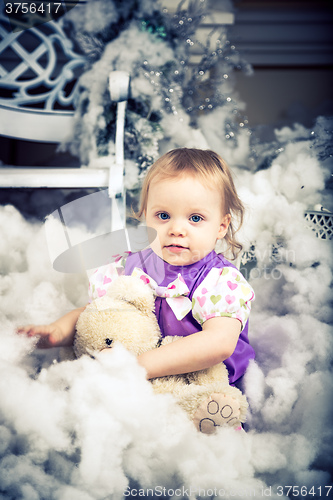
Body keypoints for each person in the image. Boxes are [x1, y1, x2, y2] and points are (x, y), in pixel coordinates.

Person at [17, 148, 255, 430]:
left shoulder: (219, 280)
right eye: (163, 215)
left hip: (201, 375)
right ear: (145, 217)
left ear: (221, 226)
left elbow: (218, 344)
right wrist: (59, 330)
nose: (177, 229)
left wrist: (135, 366)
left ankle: (209, 418)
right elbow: (100, 313)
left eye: (195, 218)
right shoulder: (131, 265)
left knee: (201, 408)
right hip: (143, 371)